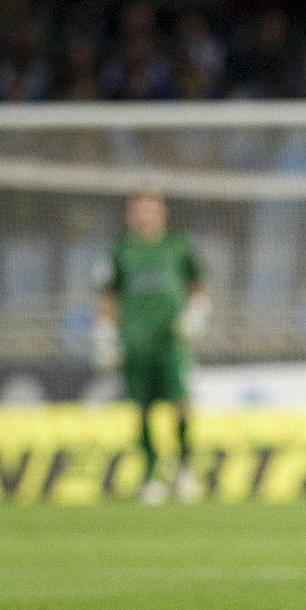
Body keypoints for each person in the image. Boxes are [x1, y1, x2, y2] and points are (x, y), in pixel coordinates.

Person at [94, 190, 210, 504]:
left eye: (150, 209)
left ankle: (184, 469)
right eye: (138, 210)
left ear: (162, 212)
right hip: (135, 342)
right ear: (131, 214)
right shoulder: (120, 251)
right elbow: (108, 295)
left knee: (181, 404)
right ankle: (150, 474)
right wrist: (104, 332)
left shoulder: (179, 246)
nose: (144, 215)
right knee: (142, 408)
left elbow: (198, 286)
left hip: (172, 341)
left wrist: (197, 313)